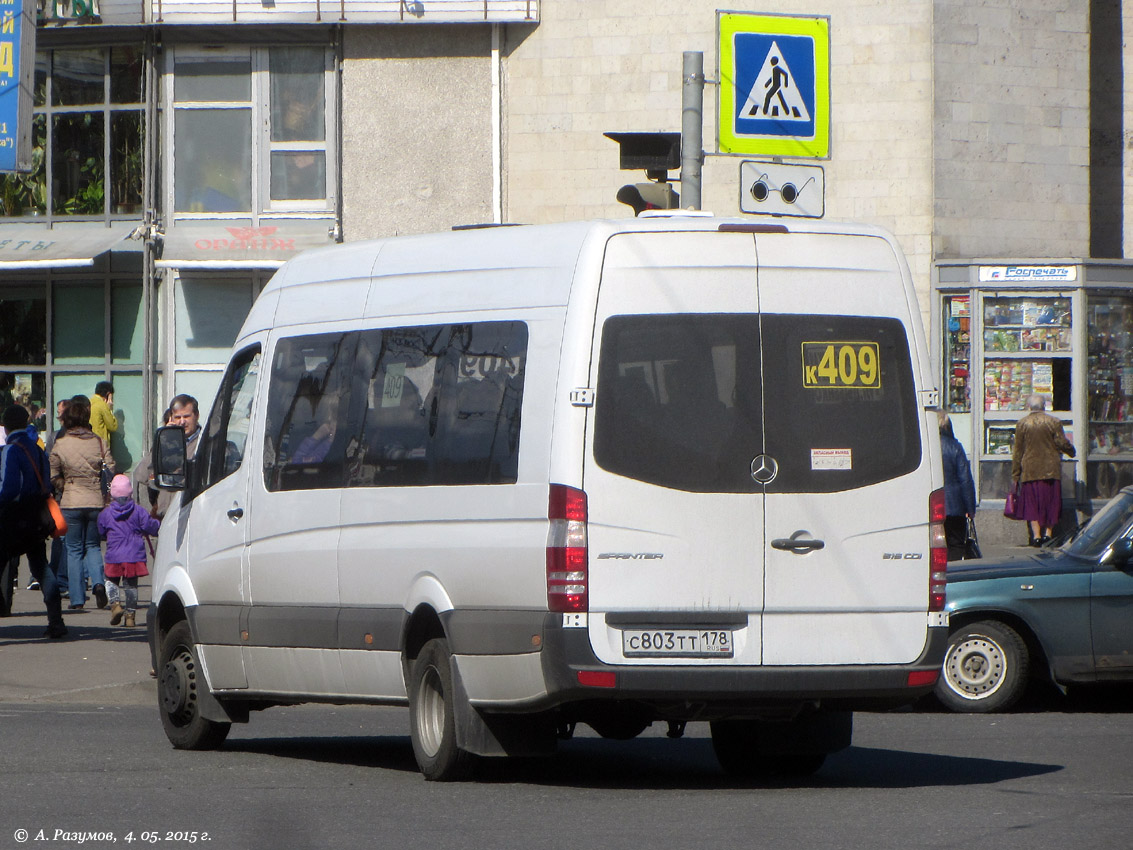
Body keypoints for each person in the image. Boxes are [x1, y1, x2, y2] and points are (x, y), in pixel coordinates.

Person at [0, 404, 67, 638]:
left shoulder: (10, 450)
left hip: (14, 516)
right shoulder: (37, 449)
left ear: (5, 426)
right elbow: (45, 482)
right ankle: (56, 620)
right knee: (41, 567)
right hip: (37, 515)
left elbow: (8, 488)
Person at [50, 395, 115, 610]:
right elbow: (111, 467)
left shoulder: (61, 443)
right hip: (95, 499)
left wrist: (64, 484)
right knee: (93, 547)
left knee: (74, 550)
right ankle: (98, 583)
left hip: (70, 500)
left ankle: (77, 599)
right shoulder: (98, 441)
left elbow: (53, 473)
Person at [1012, 393, 1076, 546]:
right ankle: (1048, 534)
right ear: (1044, 406)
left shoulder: (1022, 424)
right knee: (1051, 503)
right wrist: (1071, 451)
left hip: (1030, 470)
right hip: (1051, 469)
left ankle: (1036, 536)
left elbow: (1018, 451)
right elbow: (1061, 442)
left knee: (1032, 504)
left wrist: (1015, 474)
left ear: (1029, 407)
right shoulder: (1053, 422)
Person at [98, 475, 160, 628]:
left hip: (114, 554)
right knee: (131, 587)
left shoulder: (105, 514)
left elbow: (101, 530)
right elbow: (151, 527)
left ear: (112, 493)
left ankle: (115, 605)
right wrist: (160, 525)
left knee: (110, 581)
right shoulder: (139, 511)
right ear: (130, 492)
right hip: (134, 555)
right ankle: (130, 617)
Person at [938, 410, 977, 560]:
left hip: (931, 507)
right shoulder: (954, 446)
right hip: (954, 507)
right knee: (955, 544)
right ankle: (953, 575)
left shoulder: (925, 446)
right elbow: (965, 479)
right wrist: (970, 508)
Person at [89, 381, 118, 447]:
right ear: (108, 394)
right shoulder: (103, 406)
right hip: (100, 444)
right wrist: (109, 409)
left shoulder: (89, 402)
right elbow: (113, 426)